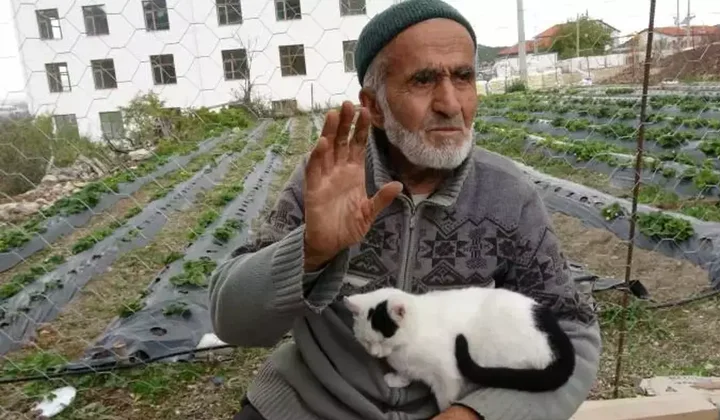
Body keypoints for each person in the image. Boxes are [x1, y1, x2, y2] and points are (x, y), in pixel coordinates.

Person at [209, 1, 601, 419]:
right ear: (374, 105)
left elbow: (572, 332)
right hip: (310, 405)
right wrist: (309, 251)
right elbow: (233, 322)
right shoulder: (326, 181)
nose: (450, 103)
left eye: (464, 77)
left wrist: (478, 412)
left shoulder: (507, 195)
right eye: (423, 80)